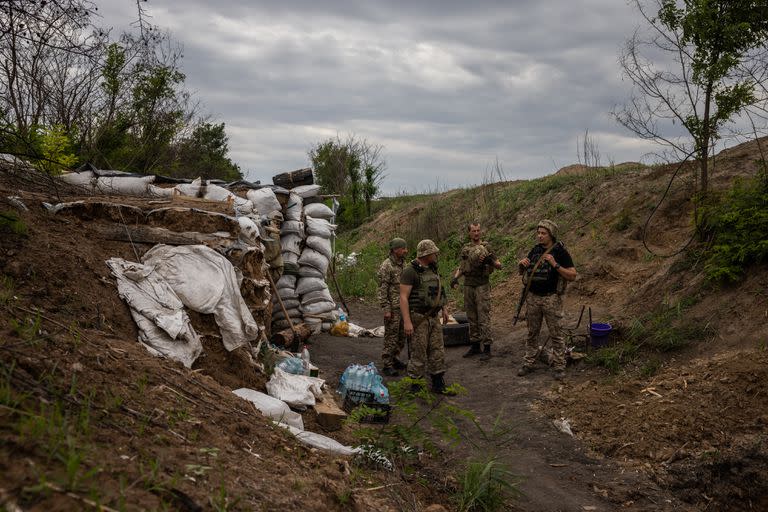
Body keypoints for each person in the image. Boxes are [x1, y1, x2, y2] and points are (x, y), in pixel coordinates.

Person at [516, 220, 577, 380]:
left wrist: (555, 264)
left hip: (551, 298)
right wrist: (522, 266)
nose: (540, 236)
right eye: (538, 233)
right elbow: (524, 272)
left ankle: (559, 366)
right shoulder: (535, 250)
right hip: (533, 298)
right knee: (532, 333)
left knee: (556, 334)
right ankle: (529, 362)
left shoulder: (560, 251)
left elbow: (572, 275)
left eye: (543, 233)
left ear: (551, 234)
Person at [400, 239, 455, 395]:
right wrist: (407, 322)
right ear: (426, 253)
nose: (436, 254)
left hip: (433, 317)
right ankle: (415, 385)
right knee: (418, 352)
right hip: (418, 318)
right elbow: (403, 298)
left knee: (437, 350)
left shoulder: (433, 268)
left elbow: (439, 289)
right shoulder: (410, 271)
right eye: (433, 252)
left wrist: (444, 308)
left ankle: (438, 383)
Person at [451, 222, 502, 360]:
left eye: (478, 230)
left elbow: (499, 265)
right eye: (473, 231)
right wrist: (455, 278)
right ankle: (474, 345)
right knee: (471, 317)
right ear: (469, 233)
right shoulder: (466, 249)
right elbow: (462, 267)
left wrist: (489, 261)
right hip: (468, 285)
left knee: (483, 317)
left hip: (482, 285)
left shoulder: (486, 247)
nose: (476, 233)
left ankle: (487, 347)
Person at [377, 237, 409, 376]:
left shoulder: (403, 263)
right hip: (393, 308)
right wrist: (386, 308)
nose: (406, 251)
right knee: (391, 336)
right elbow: (382, 289)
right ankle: (387, 364)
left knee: (401, 336)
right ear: (396, 250)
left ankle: (395, 358)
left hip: (403, 306)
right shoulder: (387, 266)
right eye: (403, 248)